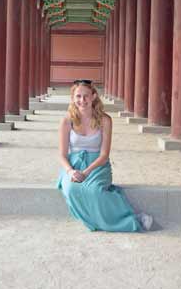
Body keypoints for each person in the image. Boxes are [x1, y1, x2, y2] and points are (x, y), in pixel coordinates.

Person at [57, 79, 153, 232]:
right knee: (71, 189)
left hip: (98, 165)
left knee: (95, 191)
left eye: (86, 96)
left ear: (94, 96)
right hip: (73, 165)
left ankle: (132, 218)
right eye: (78, 96)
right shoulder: (67, 121)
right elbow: (61, 155)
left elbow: (104, 154)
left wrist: (86, 172)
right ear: (73, 98)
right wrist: (71, 171)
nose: (82, 100)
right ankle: (94, 220)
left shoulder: (105, 120)